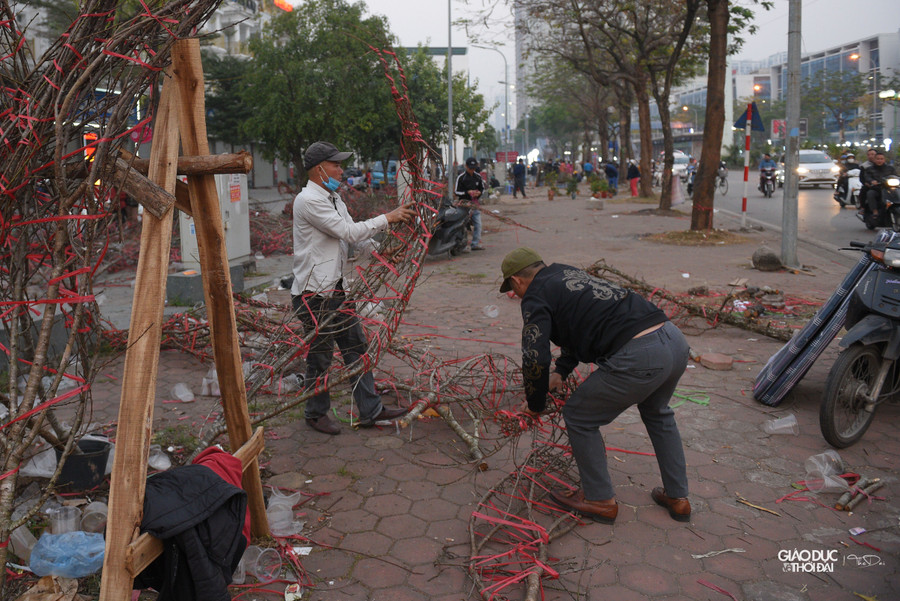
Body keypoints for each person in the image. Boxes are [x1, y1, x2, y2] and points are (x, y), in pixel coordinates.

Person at [500, 248, 691, 524]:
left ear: (517, 281)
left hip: (641, 355)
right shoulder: (566, 272)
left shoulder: (534, 296)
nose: (515, 294)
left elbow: (534, 356)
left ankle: (599, 500)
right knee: (657, 412)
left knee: (579, 415)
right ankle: (678, 497)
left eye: (512, 288)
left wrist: (535, 405)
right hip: (674, 341)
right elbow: (580, 324)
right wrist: (562, 371)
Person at [292, 141, 416, 435]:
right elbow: (346, 231)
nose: (341, 169)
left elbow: (353, 239)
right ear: (319, 169)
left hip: (336, 290)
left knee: (356, 347)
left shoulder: (334, 199)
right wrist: (387, 217)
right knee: (320, 358)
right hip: (314, 294)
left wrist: (380, 252)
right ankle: (314, 413)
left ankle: (370, 410)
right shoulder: (308, 201)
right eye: (336, 164)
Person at [455, 157, 485, 251]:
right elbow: (456, 191)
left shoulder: (478, 177)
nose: (472, 170)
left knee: (478, 224)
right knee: (462, 226)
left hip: (474, 205)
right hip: (463, 205)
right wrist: (467, 192)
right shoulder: (461, 178)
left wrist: (479, 193)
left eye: (474, 168)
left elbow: (482, 189)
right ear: (466, 166)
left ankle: (475, 243)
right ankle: (462, 245)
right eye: (470, 168)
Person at [860, 150, 898, 221]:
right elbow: (867, 177)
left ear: (884, 160)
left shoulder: (890, 168)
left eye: (881, 159)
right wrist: (872, 181)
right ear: (874, 160)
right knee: (870, 193)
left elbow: (896, 176)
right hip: (877, 188)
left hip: (889, 188)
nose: (879, 160)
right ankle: (875, 211)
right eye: (878, 159)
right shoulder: (869, 169)